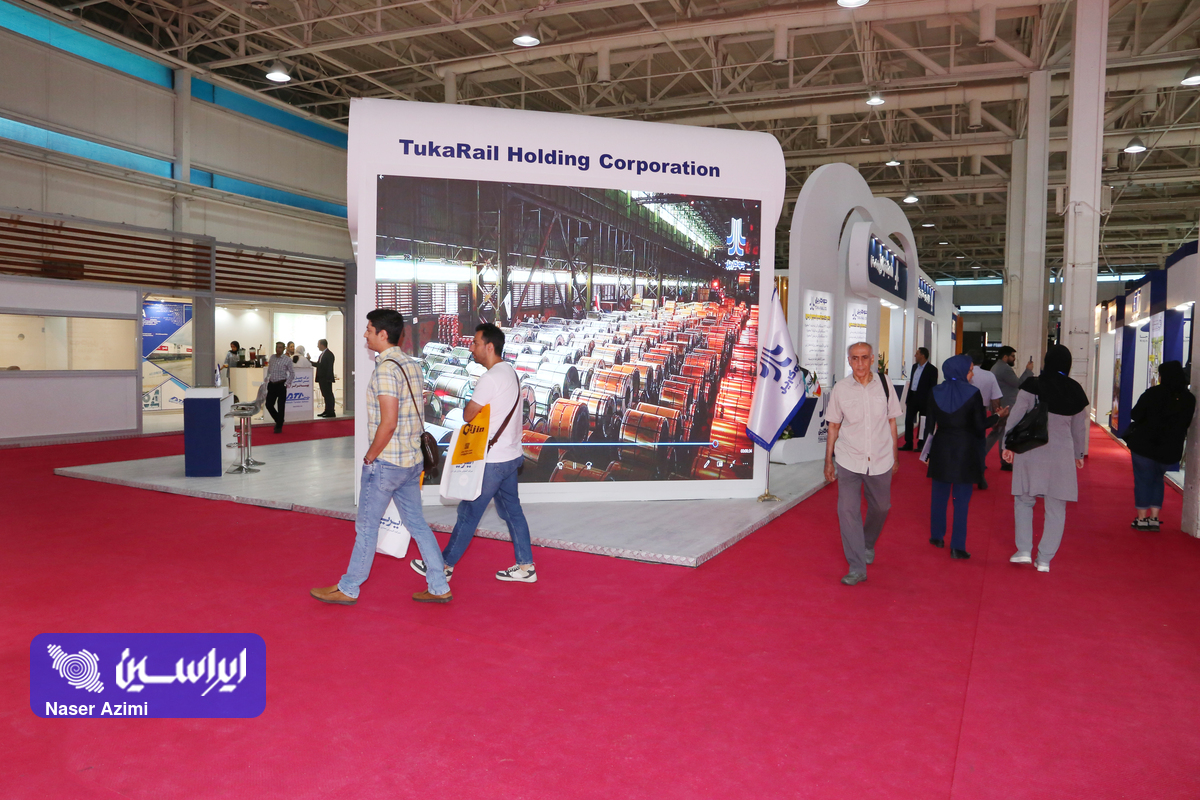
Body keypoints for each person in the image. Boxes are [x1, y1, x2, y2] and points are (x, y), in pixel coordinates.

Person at [311, 309, 452, 606]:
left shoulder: (386, 369)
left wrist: (369, 457)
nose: (365, 334)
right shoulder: (412, 365)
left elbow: (388, 422)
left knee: (366, 528)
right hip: (411, 461)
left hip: (387, 464)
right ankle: (439, 586)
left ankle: (349, 587)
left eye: (369, 329)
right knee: (417, 525)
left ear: (383, 334)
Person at [410, 323, 535, 584]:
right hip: (511, 456)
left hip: (493, 460)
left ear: (489, 347)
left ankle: (444, 566)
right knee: (512, 512)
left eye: (475, 343)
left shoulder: (489, 378)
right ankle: (526, 566)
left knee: (468, 512)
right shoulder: (510, 372)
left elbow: (468, 414)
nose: (471, 347)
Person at [1002, 344, 1090, 573]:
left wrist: (1007, 445)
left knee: (1024, 500)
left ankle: (1023, 550)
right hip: (1061, 454)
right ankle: (1044, 559)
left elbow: (1016, 416)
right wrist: (1078, 454)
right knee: (1056, 507)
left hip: (1031, 449)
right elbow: (1079, 429)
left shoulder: (1033, 385)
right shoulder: (1075, 390)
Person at [823, 341, 904, 586]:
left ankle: (867, 542)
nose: (860, 363)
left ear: (872, 359)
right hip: (849, 457)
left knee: (881, 507)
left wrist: (895, 455)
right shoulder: (841, 388)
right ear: (849, 361)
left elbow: (892, 421)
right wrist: (828, 461)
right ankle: (857, 566)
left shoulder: (885, 384)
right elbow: (833, 425)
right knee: (847, 511)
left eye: (865, 357)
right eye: (855, 358)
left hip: (880, 458)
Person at [925, 354, 1009, 559]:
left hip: (941, 448)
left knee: (938, 497)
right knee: (961, 500)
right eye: (970, 370)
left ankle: (937, 537)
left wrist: (927, 452)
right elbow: (979, 427)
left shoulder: (935, 391)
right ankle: (957, 546)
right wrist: (997, 416)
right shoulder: (973, 393)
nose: (972, 373)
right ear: (962, 371)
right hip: (965, 451)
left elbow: (929, 426)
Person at [1123, 360, 1196, 531]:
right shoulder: (1189, 399)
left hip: (1144, 445)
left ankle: (1142, 519)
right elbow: (1186, 423)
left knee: (1143, 480)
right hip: (1170, 448)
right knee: (1157, 479)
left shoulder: (1153, 393)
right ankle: (1154, 518)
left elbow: (1135, 414)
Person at [968, 349, 1002, 489]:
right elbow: (996, 399)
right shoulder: (989, 375)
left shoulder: (965, 373)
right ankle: (980, 475)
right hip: (981, 411)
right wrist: (996, 417)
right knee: (979, 445)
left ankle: (963, 474)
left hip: (964, 411)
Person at [987, 346, 1025, 470]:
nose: (1014, 359)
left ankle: (983, 457)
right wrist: (1028, 371)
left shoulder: (996, 367)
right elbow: (1018, 383)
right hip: (1005, 406)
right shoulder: (1004, 369)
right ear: (1005, 356)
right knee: (1001, 432)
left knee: (998, 432)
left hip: (1000, 404)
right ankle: (1004, 461)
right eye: (1012, 356)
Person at [900, 347, 938, 451]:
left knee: (923, 422)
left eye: (917, 354)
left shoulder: (932, 370)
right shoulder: (914, 367)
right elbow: (912, 382)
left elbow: (933, 387)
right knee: (908, 420)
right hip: (913, 397)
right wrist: (908, 398)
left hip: (924, 400)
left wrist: (930, 401)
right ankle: (908, 443)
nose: (915, 356)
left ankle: (921, 444)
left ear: (922, 355)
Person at [264, 341, 294, 434]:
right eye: (277, 347)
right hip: (272, 384)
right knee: (268, 404)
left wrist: (286, 383)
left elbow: (292, 373)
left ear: (284, 348)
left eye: (280, 347)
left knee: (281, 406)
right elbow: (269, 370)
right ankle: (279, 420)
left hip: (281, 384)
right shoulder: (272, 357)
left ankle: (279, 426)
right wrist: (267, 379)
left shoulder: (287, 359)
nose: (278, 349)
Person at [314, 338, 337, 418]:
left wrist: (328, 378)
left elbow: (328, 367)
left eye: (318, 344)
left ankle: (331, 411)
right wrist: (309, 361)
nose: (317, 346)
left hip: (326, 378)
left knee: (328, 395)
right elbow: (319, 365)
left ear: (322, 345)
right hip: (322, 378)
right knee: (325, 395)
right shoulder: (323, 354)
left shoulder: (329, 354)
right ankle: (327, 410)